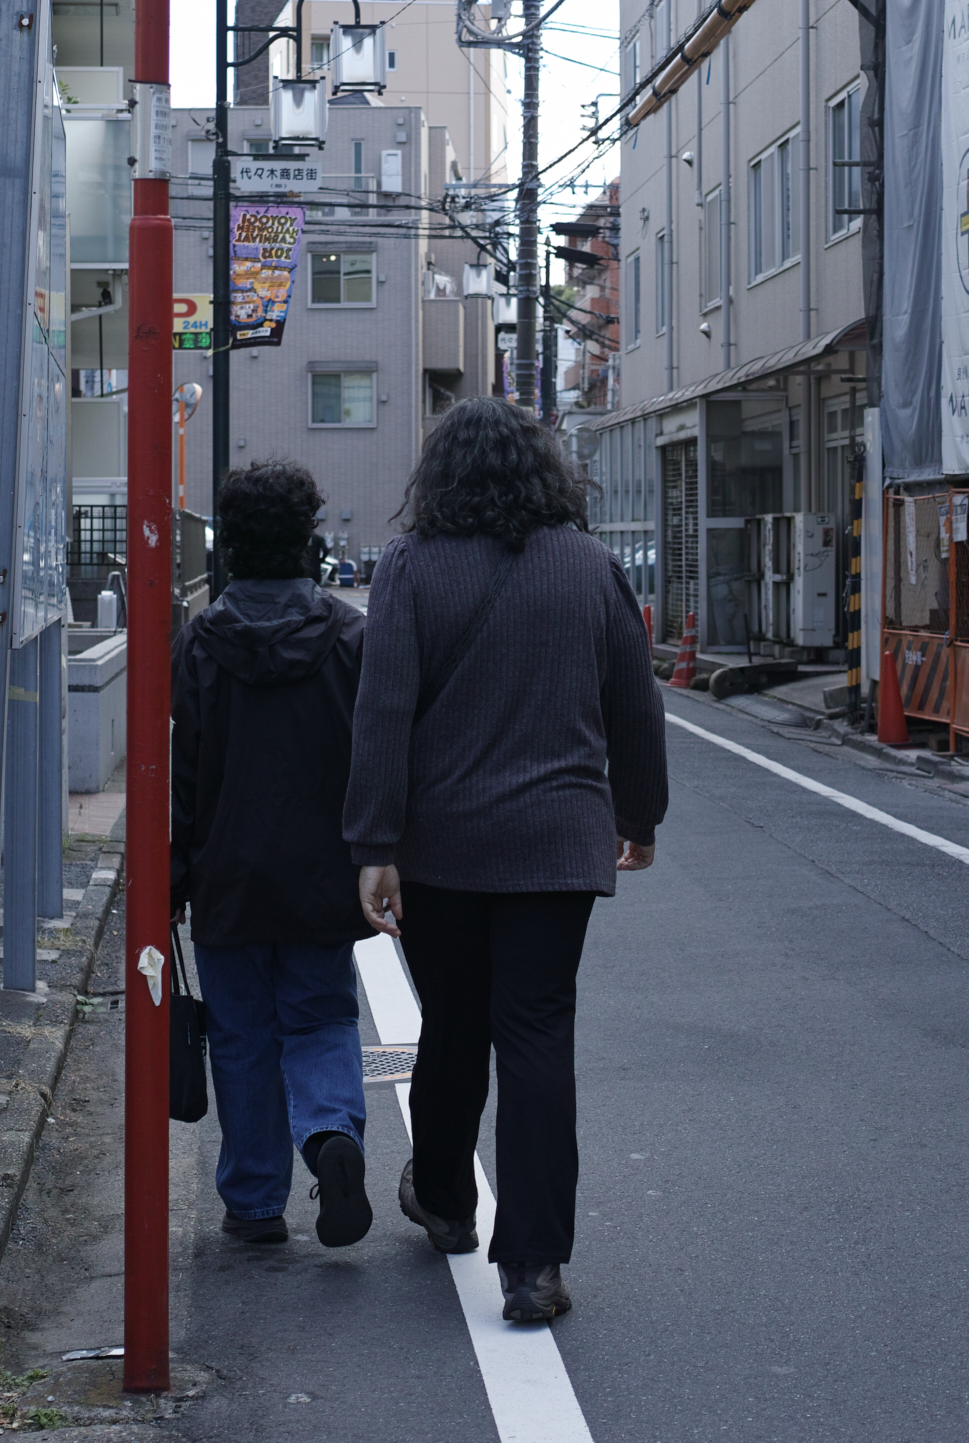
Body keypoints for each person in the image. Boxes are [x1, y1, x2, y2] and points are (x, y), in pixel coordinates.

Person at [344, 398, 668, 1324]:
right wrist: (639, 814)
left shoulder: (410, 568)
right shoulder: (590, 567)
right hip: (558, 844)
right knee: (535, 1035)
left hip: (440, 847)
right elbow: (634, 708)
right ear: (547, 470)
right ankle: (532, 1266)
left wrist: (374, 843)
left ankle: (443, 1195)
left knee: (452, 1019)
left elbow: (383, 709)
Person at [171, 459, 372, 1247]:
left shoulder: (201, 642)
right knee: (320, 1015)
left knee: (242, 1033)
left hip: (228, 872)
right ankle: (330, 1134)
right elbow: (373, 757)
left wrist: (175, 875)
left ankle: (255, 1199)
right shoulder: (349, 635)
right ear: (307, 538)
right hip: (323, 874)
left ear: (233, 543)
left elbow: (185, 774)